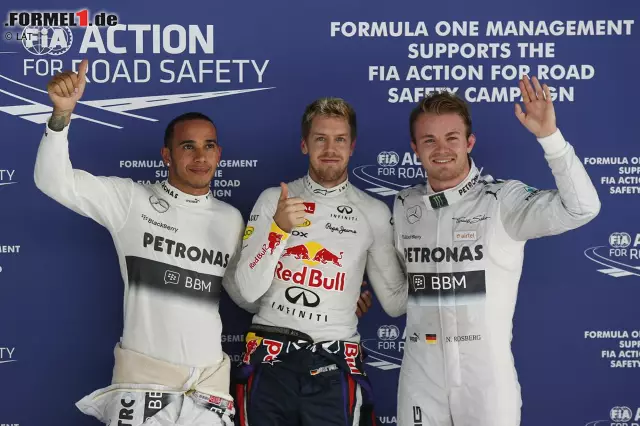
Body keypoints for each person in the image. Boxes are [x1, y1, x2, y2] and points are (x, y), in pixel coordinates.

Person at [35, 59, 254, 426]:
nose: (200, 157)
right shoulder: (131, 200)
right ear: (167, 155)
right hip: (142, 389)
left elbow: (244, 293)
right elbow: (53, 181)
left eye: (209, 146)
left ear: (219, 153)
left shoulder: (230, 218)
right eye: (188, 146)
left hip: (208, 393)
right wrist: (61, 116)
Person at [393, 75, 601, 426]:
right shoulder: (404, 204)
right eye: (429, 140)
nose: (441, 149)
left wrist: (550, 138)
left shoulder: (502, 200)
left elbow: (582, 208)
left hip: (485, 379)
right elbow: (400, 286)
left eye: (451, 138)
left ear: (469, 142)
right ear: (415, 147)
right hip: (421, 375)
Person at [228, 97, 407, 426]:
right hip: (270, 359)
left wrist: (436, 256)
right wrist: (278, 230)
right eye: (320, 138)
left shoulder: (373, 212)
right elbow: (248, 291)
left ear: (352, 146)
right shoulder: (274, 199)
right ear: (304, 144)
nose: (330, 149)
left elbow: (396, 302)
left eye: (340, 139)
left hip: (333, 363)